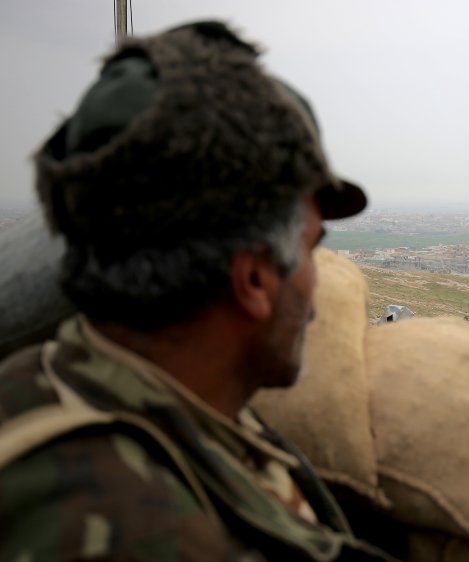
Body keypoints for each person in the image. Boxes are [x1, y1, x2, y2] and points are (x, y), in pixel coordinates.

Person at [0, 21, 390, 561]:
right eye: (310, 246)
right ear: (254, 279)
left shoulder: (55, 385)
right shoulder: (161, 538)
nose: (316, 278)